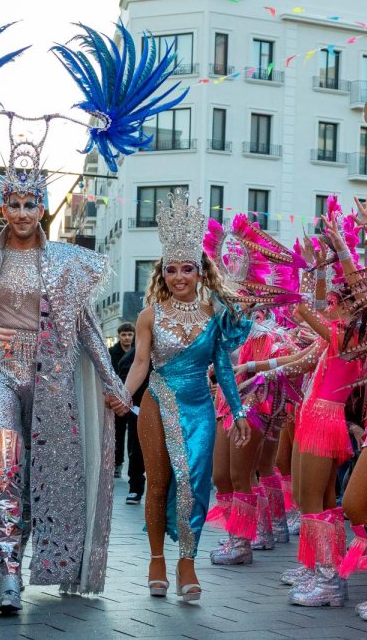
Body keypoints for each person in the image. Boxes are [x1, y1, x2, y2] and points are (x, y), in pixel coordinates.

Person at [0, 166, 129, 614]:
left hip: (52, 374)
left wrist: (113, 382)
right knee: (6, 465)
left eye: (29, 204)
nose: (21, 213)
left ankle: (41, 564)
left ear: (42, 208)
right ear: (2, 207)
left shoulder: (68, 263)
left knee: (41, 477)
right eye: (12, 204)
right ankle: (8, 578)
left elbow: (86, 328)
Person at [113, 189, 250, 603]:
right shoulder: (149, 315)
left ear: (199, 271)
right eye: (170, 269)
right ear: (162, 273)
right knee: (158, 483)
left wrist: (238, 409)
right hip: (157, 402)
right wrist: (122, 396)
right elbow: (140, 364)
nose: (178, 277)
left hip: (200, 406)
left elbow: (223, 365)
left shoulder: (214, 312)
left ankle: (186, 561)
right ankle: (157, 559)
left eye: (187, 269)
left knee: (195, 484)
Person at [116, 336, 148, 505]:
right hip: (138, 411)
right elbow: (123, 382)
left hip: (168, 409)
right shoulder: (129, 359)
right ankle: (135, 487)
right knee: (136, 451)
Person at [111, 321, 138, 480]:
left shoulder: (137, 351)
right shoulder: (112, 352)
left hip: (135, 399)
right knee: (118, 433)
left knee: (134, 436)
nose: (127, 337)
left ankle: (131, 470)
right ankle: (117, 463)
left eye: (129, 334)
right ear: (119, 336)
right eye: (124, 334)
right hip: (118, 397)